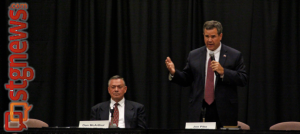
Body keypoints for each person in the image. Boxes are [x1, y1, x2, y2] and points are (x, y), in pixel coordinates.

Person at [165, 20, 247, 128]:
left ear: (220, 36)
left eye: (213, 36)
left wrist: (224, 72)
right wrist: (174, 73)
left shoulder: (234, 55)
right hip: (199, 109)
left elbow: (243, 78)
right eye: (206, 36)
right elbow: (187, 79)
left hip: (224, 111)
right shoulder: (194, 55)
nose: (209, 40)